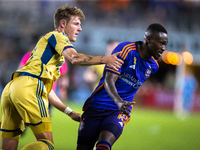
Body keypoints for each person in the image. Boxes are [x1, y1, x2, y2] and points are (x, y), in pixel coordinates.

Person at [0, 4, 123, 150]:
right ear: (63, 24)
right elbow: (75, 58)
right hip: (30, 87)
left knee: (8, 146)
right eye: (76, 24)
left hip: (13, 88)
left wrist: (69, 112)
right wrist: (105, 59)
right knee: (46, 145)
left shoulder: (49, 52)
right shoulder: (58, 36)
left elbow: (47, 90)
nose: (80, 28)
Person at [76, 23, 168, 150]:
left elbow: (132, 86)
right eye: (161, 43)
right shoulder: (126, 49)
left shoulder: (154, 66)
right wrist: (118, 100)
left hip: (118, 111)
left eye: (165, 45)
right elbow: (109, 80)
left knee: (103, 146)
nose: (163, 48)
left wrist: (121, 103)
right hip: (98, 105)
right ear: (149, 39)